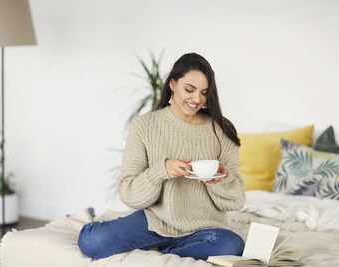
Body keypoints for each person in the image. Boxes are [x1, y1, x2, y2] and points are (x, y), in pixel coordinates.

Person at [78, 53, 246, 260]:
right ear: (173, 84)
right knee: (91, 241)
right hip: (153, 221)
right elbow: (128, 192)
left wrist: (218, 179)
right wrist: (161, 170)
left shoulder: (222, 129)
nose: (197, 99)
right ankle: (164, 246)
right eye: (189, 90)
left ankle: (163, 253)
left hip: (204, 226)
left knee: (232, 245)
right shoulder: (145, 126)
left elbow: (237, 200)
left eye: (204, 93)